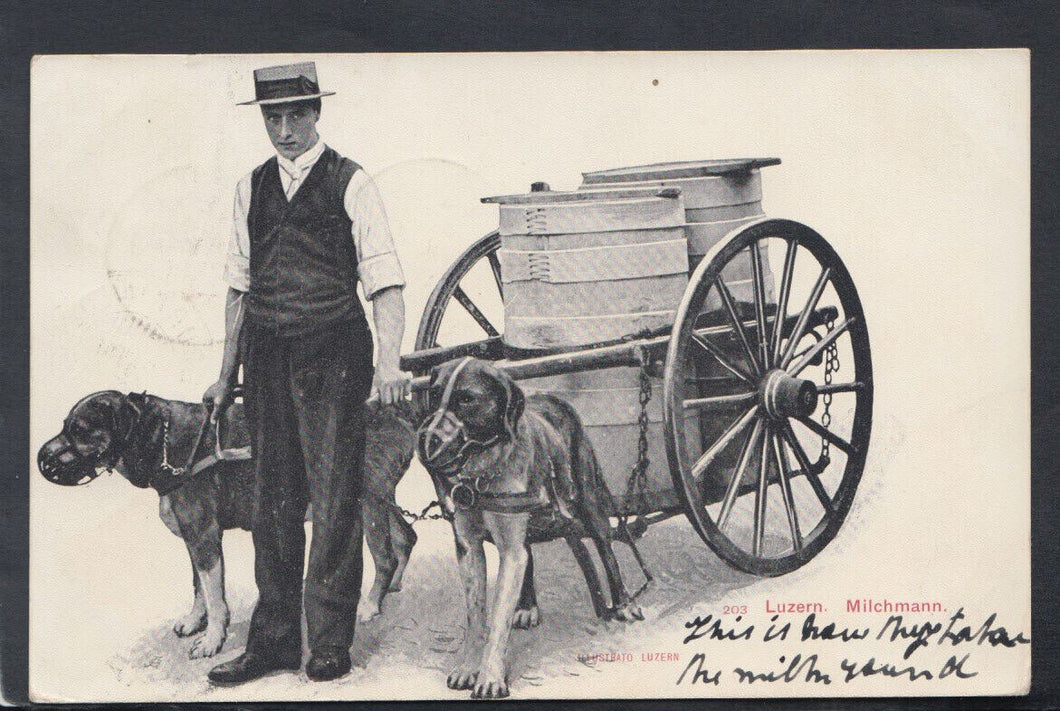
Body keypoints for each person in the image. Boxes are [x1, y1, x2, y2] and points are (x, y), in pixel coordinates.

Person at [203, 62, 408, 684]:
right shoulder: (250, 187)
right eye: (274, 117)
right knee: (272, 500)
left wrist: (390, 362)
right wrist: (224, 372)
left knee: (336, 494)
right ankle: (271, 642)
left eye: (296, 115)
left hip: (335, 354)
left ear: (317, 112)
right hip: (265, 355)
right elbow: (238, 290)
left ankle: (327, 644)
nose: (285, 129)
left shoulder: (353, 182)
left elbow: (386, 283)